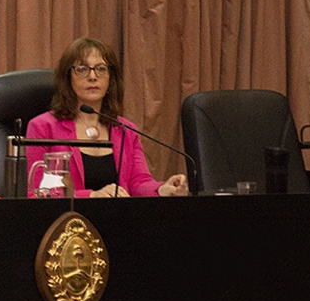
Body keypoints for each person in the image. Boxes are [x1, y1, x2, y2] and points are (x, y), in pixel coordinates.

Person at [25, 37, 189, 198]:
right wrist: (92, 196)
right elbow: (37, 192)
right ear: (67, 78)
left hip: (118, 220)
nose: (93, 76)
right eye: (82, 69)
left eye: (101, 69)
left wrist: (162, 190)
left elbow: (139, 182)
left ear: (111, 79)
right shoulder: (43, 127)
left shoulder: (125, 130)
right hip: (69, 220)